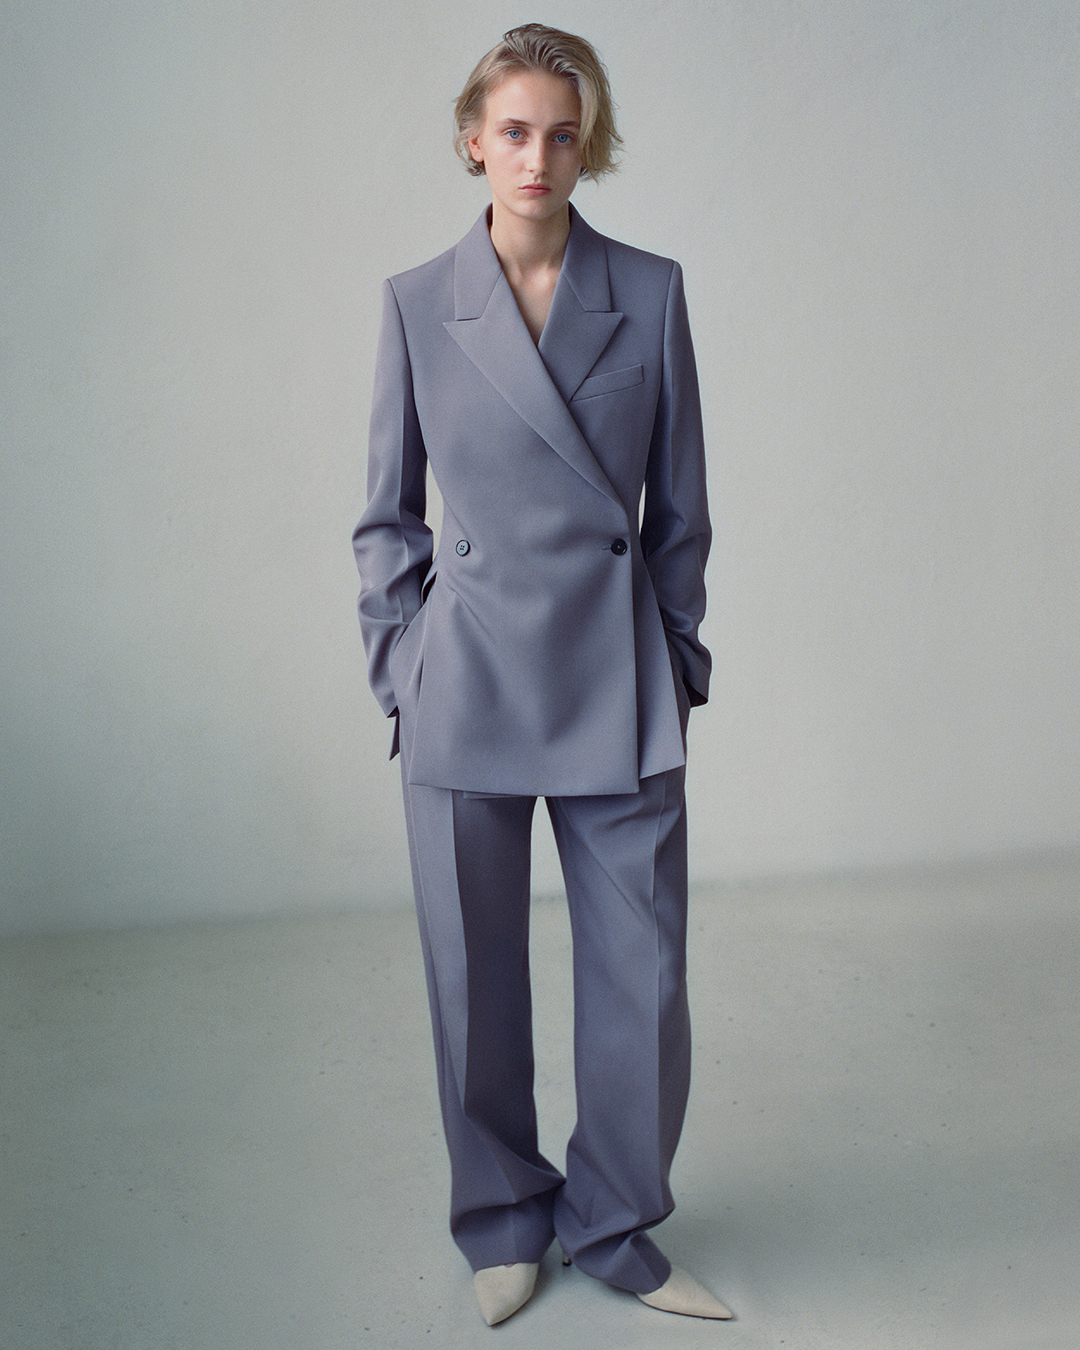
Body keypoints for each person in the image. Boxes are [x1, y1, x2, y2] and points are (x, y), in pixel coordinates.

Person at [352, 23, 732, 1327]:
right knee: (473, 978)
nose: (538, 157)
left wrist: (674, 661)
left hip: (613, 676)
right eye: (514, 131)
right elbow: (385, 515)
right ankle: (504, 1217)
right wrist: (400, 666)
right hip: (465, 679)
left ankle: (617, 1223)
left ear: (588, 147)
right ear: (474, 140)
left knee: (645, 976)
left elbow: (680, 508)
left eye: (563, 135)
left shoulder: (651, 290)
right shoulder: (417, 302)